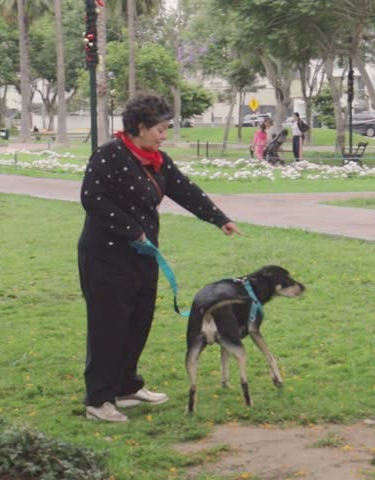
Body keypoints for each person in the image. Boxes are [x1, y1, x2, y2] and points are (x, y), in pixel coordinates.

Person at [78, 95, 242, 422]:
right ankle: (99, 400)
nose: (164, 135)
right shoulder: (109, 155)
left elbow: (185, 190)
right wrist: (132, 230)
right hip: (106, 257)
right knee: (108, 326)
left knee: (138, 321)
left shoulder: (156, 159)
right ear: (141, 127)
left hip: (143, 256)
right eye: (161, 129)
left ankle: (126, 387)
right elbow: (92, 198)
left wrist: (219, 218)